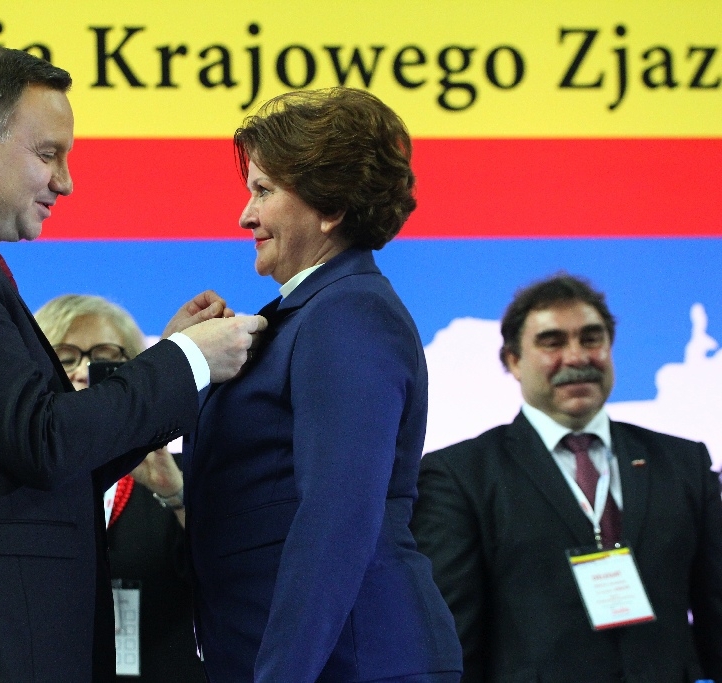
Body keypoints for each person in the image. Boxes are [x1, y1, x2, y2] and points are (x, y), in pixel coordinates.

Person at [0, 46, 265, 683]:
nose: (65, 182)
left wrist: (163, 360)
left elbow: (60, 457)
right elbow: (46, 440)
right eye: (48, 155)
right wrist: (186, 363)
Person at [183, 87, 462, 683]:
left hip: (351, 663)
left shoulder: (348, 313)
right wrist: (183, 365)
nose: (245, 216)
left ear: (330, 207)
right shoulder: (306, 315)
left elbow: (336, 518)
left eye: (264, 191)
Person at [410, 274, 722, 683]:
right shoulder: (460, 477)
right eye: (552, 342)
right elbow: (453, 639)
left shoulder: (684, 464)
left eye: (591, 339)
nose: (576, 357)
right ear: (513, 361)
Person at [34, 294, 205, 683]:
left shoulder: (177, 475)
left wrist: (175, 494)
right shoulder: (19, 487)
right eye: (65, 358)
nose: (83, 372)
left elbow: (234, 578)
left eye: (105, 359)